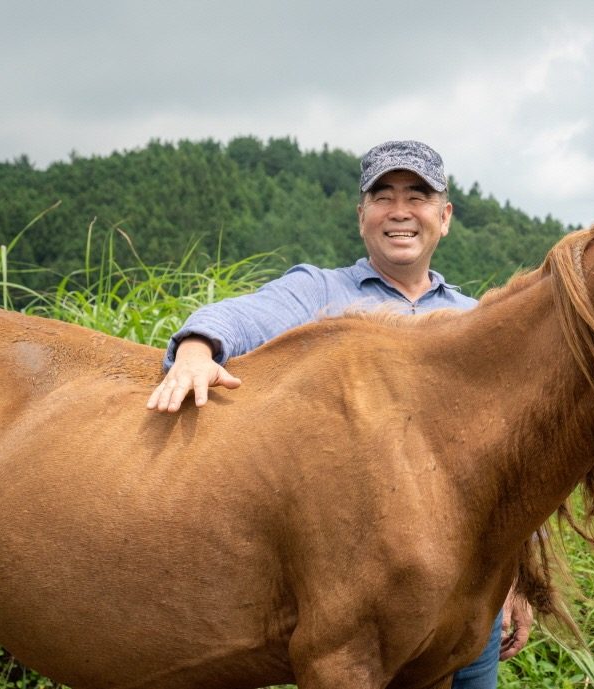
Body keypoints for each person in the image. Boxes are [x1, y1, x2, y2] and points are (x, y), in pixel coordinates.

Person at [146, 139, 533, 689]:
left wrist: (515, 579)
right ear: (362, 217)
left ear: (444, 217)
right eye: (383, 196)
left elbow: (512, 463)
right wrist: (195, 350)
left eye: (418, 195)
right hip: (366, 593)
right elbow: (237, 315)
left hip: (468, 597)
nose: (400, 211)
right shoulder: (319, 292)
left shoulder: (475, 321)